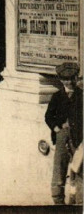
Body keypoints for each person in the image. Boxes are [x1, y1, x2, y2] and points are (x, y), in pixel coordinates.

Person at [45, 62, 83, 204]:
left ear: (76, 78)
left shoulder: (81, 96)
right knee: (59, 169)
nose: (69, 82)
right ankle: (58, 202)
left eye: (72, 78)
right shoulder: (57, 96)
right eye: (65, 79)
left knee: (80, 170)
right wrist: (56, 129)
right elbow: (48, 116)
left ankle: (79, 203)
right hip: (62, 136)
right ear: (61, 80)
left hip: (79, 139)